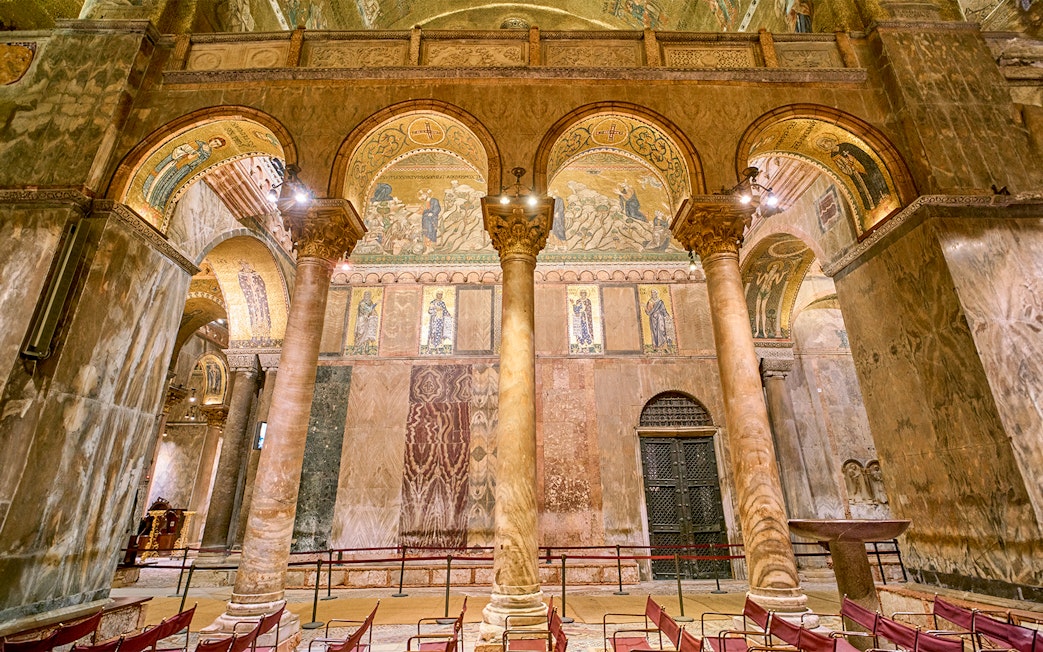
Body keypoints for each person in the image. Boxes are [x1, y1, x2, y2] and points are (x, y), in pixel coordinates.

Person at [143, 137, 226, 213]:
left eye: (217, 144)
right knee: (163, 178)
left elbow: (198, 164)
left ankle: (158, 204)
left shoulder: (207, 154)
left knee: (171, 184)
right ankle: (151, 198)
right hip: (179, 163)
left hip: (185, 169)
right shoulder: (198, 143)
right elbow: (180, 149)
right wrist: (187, 155)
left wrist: (193, 160)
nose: (214, 144)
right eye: (215, 141)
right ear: (212, 139)